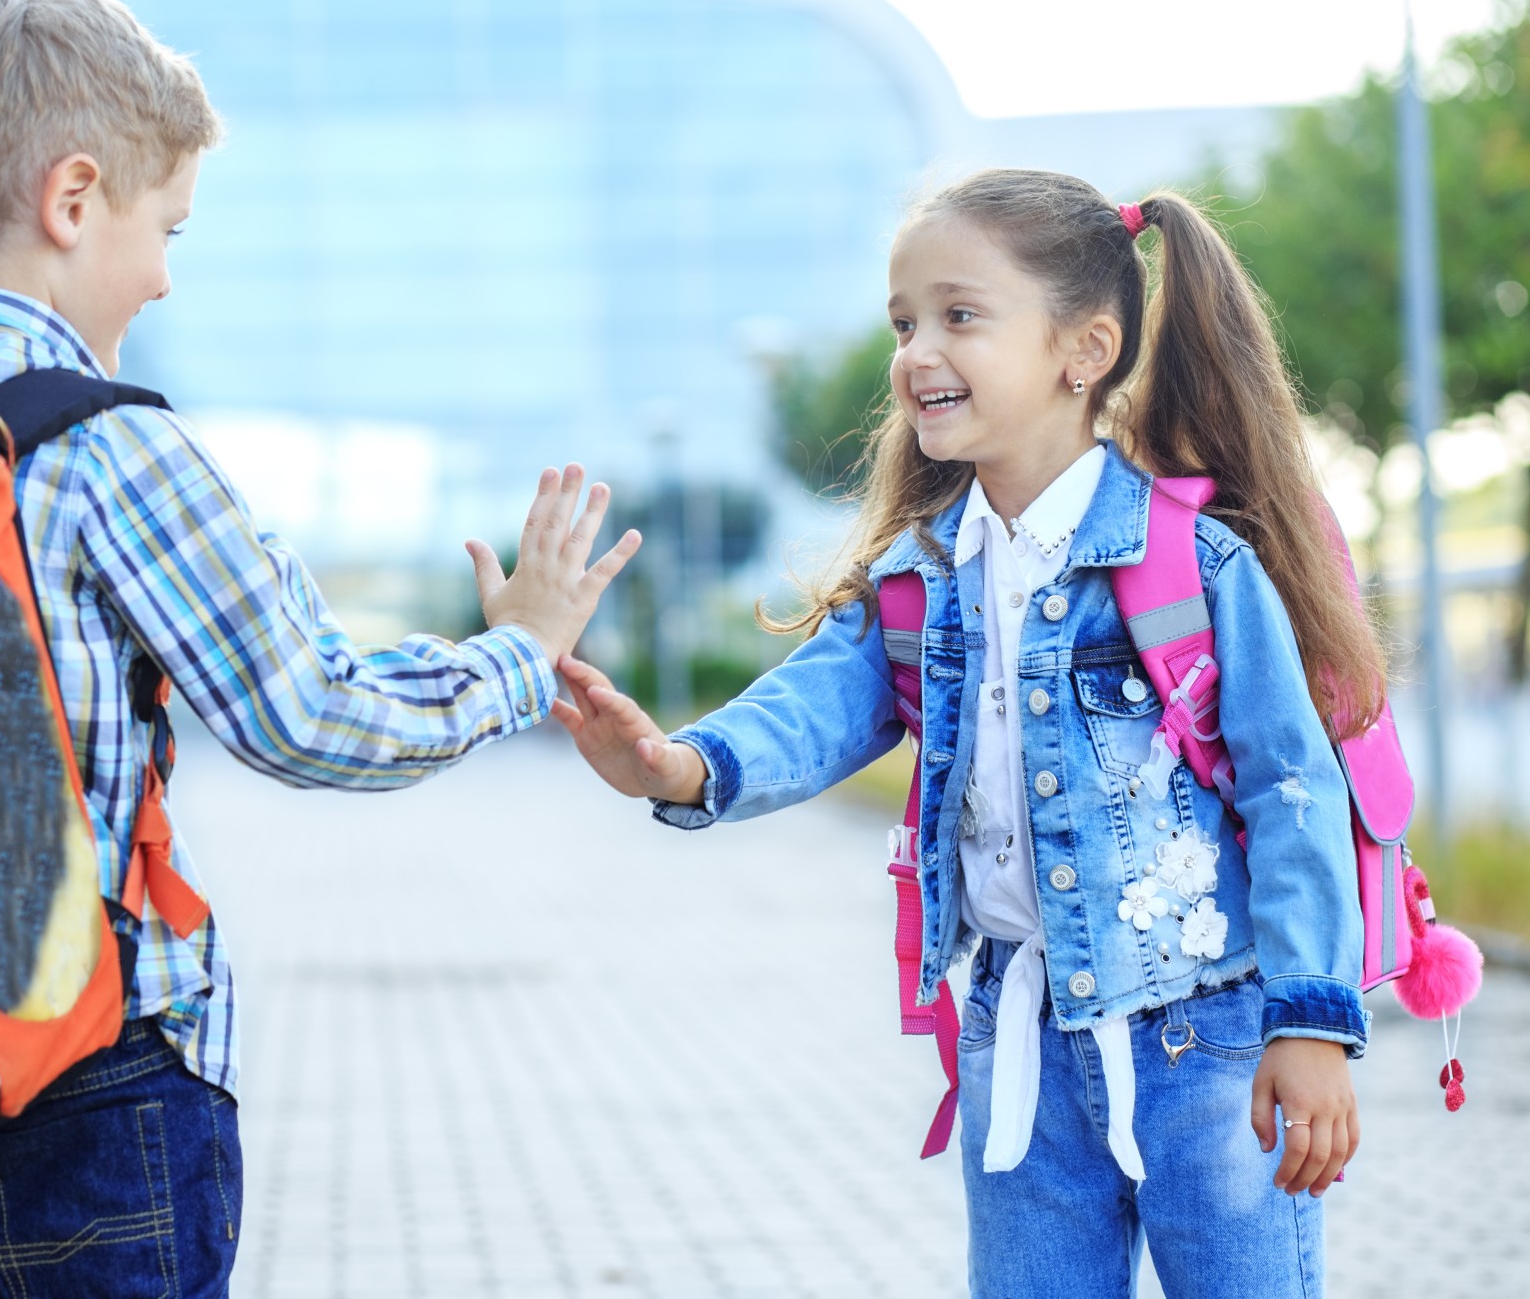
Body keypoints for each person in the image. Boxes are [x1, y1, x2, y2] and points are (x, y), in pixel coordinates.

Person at [0, 0, 638, 1298]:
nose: (159, 275)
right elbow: (310, 714)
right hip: (87, 1085)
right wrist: (517, 655)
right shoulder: (104, 444)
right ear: (72, 201)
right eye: (167, 230)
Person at [553, 168, 1378, 1297]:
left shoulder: (1194, 565)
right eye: (904, 322)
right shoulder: (923, 576)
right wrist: (680, 765)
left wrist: (1312, 1023)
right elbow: (815, 705)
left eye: (959, 315)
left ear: (1082, 350)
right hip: (1020, 1049)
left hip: (1212, 1048)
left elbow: (1292, 790)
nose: (915, 351)